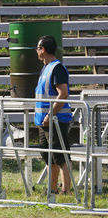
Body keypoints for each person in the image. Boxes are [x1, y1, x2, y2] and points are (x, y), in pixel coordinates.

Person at [34, 35, 72, 195]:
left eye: (37, 48)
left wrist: (51, 115)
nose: (36, 51)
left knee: (61, 157)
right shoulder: (46, 67)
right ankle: (52, 189)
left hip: (55, 120)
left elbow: (63, 94)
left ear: (42, 49)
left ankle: (66, 191)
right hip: (44, 122)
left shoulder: (56, 67)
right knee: (50, 157)